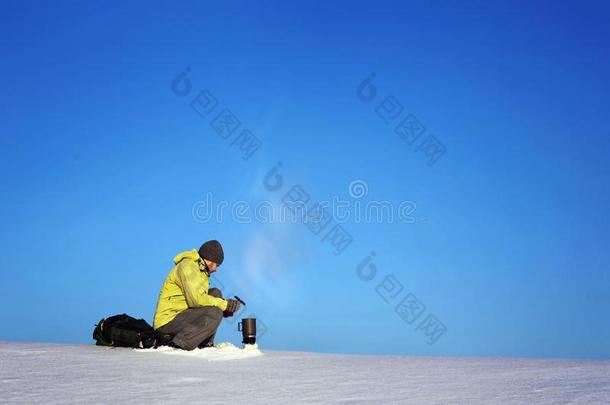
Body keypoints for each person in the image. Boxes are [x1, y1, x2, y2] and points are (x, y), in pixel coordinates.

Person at [153, 240, 241, 350]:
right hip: (167, 322)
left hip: (182, 315)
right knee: (216, 312)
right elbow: (196, 300)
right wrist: (224, 305)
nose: (216, 269)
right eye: (217, 265)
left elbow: (203, 299)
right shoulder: (188, 267)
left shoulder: (200, 269)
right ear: (209, 260)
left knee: (215, 293)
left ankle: (204, 342)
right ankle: (179, 344)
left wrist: (224, 306)